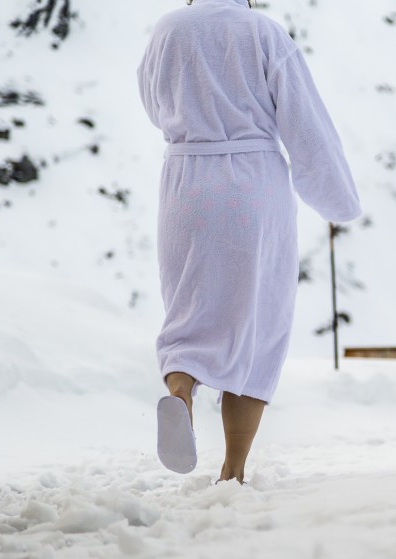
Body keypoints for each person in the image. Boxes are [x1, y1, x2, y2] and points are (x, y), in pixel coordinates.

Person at [137, 0, 360, 483]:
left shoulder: (167, 29)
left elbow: (154, 106)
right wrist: (338, 202)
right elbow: (305, 126)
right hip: (250, 184)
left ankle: (179, 392)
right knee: (258, 326)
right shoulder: (262, 32)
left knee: (189, 314)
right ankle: (232, 471)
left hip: (183, 184)